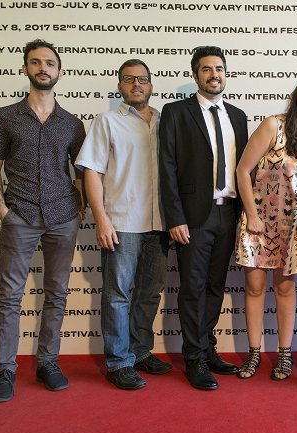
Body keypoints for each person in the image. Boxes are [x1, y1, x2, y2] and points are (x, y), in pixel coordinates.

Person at [0, 39, 85, 403]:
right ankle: (6, 370)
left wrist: (81, 205)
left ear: (60, 72)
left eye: (50, 63)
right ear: (26, 68)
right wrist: (2, 209)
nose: (43, 68)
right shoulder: (5, 116)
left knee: (56, 294)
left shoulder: (72, 124)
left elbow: (81, 172)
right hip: (20, 214)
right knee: (10, 295)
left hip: (62, 216)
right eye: (36, 62)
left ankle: (48, 362)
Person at [76, 59, 172, 390]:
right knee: (118, 293)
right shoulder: (106, 122)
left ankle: (140, 351)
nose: (136, 84)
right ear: (119, 86)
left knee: (149, 292)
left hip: (160, 223)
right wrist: (101, 219)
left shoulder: (166, 121)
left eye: (142, 79)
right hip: (121, 222)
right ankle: (118, 361)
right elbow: (91, 171)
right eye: (128, 79)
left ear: (151, 85)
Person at [159, 46, 249, 391]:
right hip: (193, 217)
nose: (215, 75)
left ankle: (207, 348)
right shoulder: (176, 113)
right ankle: (193, 358)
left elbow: (244, 169)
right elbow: (167, 167)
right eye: (207, 69)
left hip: (228, 212)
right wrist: (174, 216)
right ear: (196, 75)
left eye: (220, 69)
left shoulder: (238, 116)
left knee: (214, 286)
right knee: (193, 289)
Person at [234, 73, 297, 381]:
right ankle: (253, 354)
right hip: (258, 218)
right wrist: (251, 214)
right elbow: (243, 169)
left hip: (294, 226)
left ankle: (285, 356)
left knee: (286, 288)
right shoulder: (273, 125)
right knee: (254, 287)